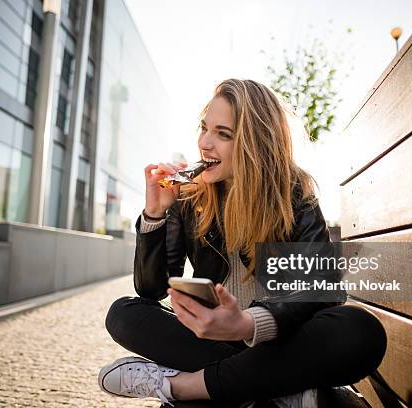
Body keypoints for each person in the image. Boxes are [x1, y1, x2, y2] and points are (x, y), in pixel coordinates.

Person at [98, 79, 387, 407]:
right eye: (204, 128)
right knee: (124, 313)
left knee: (361, 331)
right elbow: (151, 290)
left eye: (223, 134)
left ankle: (183, 387)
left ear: (256, 142)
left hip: (277, 340)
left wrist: (247, 323)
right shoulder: (189, 199)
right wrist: (154, 215)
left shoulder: (295, 195)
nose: (205, 143)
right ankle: (279, 391)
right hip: (216, 341)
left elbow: (317, 290)